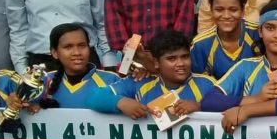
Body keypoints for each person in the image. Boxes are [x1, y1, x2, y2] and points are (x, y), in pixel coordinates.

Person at [86, 30, 217, 119]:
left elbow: (229, 106)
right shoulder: (141, 80)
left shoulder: (206, 83)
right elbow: (92, 97)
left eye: (185, 57)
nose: (180, 63)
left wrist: (200, 106)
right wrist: (120, 102)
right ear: (156, 62)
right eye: (171, 59)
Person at [190, 0, 260, 80]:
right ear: (211, 10)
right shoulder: (200, 45)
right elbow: (197, 84)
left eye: (233, 10)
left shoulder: (258, 34)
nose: (226, 16)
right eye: (219, 10)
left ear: (243, 10)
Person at [41, 24, 120, 108]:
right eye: (68, 47)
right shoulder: (44, 82)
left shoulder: (111, 80)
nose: (77, 52)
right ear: (55, 53)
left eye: (82, 46)